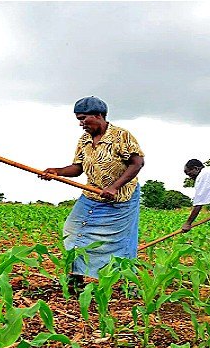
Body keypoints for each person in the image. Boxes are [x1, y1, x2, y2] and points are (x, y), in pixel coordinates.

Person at [38, 96, 145, 287]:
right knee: (73, 232)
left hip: (121, 199)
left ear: (98, 115)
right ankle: (76, 276)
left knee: (121, 242)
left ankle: (129, 283)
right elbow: (78, 168)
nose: (81, 124)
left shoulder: (122, 136)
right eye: (78, 120)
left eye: (83, 119)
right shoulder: (84, 139)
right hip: (91, 196)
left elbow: (137, 164)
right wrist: (57, 172)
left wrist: (114, 186)